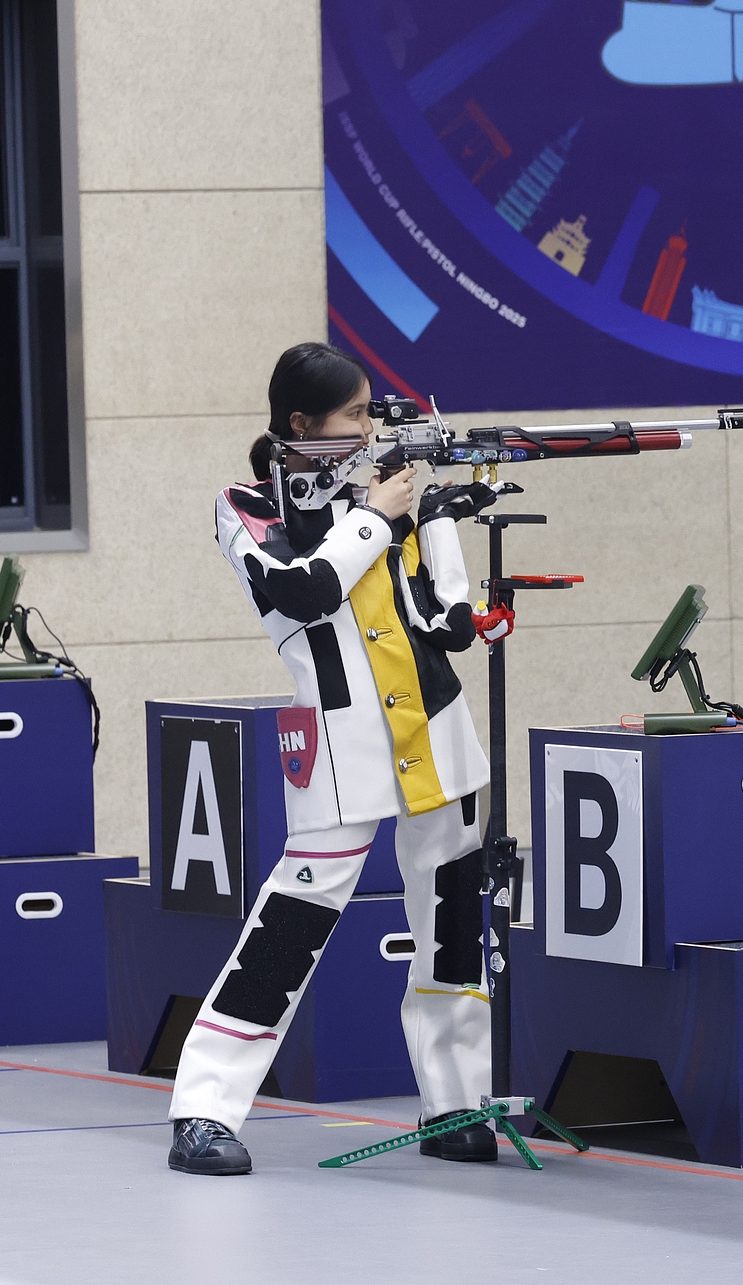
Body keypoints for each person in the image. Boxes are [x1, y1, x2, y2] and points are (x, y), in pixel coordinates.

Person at [167, 342, 501, 1174]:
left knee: (453, 929)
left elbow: (435, 621)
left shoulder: (379, 498)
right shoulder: (244, 506)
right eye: (353, 414)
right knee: (289, 930)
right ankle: (203, 1109)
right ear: (300, 424)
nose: (368, 427)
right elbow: (305, 589)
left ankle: (454, 1102)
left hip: (439, 735)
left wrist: (442, 524)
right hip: (339, 747)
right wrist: (380, 515)